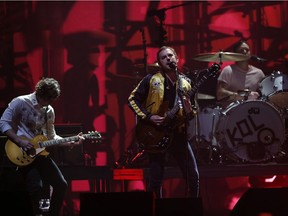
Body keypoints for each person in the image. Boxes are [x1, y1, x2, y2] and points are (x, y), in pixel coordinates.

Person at [0, 77, 84, 215]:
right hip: (20, 151)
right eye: (48, 99)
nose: (49, 103)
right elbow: (3, 123)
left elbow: (51, 137)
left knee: (61, 185)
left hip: (39, 152)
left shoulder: (49, 110)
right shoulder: (20, 102)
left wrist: (69, 141)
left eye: (51, 100)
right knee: (35, 187)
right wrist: (20, 141)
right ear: (40, 93)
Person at [128, 46, 199, 198]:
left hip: (178, 134)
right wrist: (148, 117)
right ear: (159, 63)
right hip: (156, 134)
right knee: (155, 179)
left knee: (193, 177)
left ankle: (192, 209)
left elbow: (192, 112)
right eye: (163, 57)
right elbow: (132, 99)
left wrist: (188, 109)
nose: (168, 58)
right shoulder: (151, 79)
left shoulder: (186, 83)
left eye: (170, 56)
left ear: (177, 59)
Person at [216, 40, 266, 107]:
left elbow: (266, 95)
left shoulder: (259, 73)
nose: (245, 52)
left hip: (253, 112)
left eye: (247, 50)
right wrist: (245, 95)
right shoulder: (228, 70)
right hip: (232, 113)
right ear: (235, 54)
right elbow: (220, 94)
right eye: (241, 50)